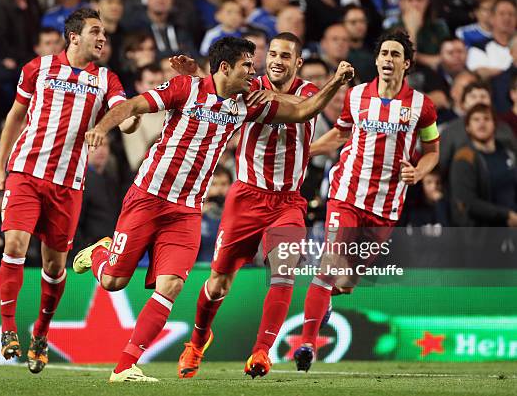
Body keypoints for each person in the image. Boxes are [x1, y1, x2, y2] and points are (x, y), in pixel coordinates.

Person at [72, 36, 354, 382]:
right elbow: (132, 106)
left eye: (260, 63)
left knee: (172, 285)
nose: (257, 70)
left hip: (190, 208)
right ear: (225, 68)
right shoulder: (184, 89)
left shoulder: (246, 101)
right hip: (149, 196)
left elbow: (301, 110)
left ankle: (125, 366)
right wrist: (100, 128)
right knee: (115, 281)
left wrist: (336, 81)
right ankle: (101, 253)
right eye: (248, 66)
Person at [174, 32, 338, 379]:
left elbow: (308, 108)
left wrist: (335, 81)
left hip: (288, 202)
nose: (276, 60)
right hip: (246, 197)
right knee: (219, 282)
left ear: (298, 63)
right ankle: (197, 341)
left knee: (284, 270)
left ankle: (262, 352)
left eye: (285, 56)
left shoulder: (309, 91)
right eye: (272, 54)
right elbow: (214, 89)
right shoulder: (247, 83)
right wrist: (198, 76)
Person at [0, 8, 129, 375]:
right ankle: (7, 329)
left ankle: (41, 333)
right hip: (26, 172)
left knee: (54, 265)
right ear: (74, 37)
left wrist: (110, 123)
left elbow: (125, 116)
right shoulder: (39, 68)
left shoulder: (106, 79)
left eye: (105, 34)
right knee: (15, 244)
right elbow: (15, 117)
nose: (102, 38)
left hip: (68, 184)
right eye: (95, 32)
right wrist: (1, 166)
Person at [293, 30, 440, 371]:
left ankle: (326, 300)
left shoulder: (422, 106)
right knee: (330, 265)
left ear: (407, 63)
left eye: (395, 54)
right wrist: (307, 150)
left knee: (346, 282)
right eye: (384, 53)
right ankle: (307, 345)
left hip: (386, 207)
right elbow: (342, 132)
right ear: (376, 60)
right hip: (346, 194)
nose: (388, 59)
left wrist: (418, 172)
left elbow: (432, 150)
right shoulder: (356, 96)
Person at [450, 104, 517, 227]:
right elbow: (467, 202)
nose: (482, 123)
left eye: (486, 119)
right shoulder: (464, 157)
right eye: (476, 119)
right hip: (482, 232)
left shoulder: (507, 151)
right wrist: (506, 215)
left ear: (495, 124)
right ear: (468, 127)